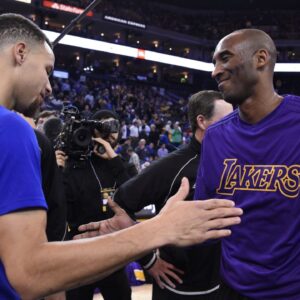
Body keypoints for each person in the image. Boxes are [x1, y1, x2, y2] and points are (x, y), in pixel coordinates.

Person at [0, 13, 243, 300]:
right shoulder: (11, 129)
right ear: (20, 52)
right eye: (47, 69)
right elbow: (30, 274)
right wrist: (158, 229)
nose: (50, 86)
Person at [194, 28, 300, 300]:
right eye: (214, 62)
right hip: (232, 289)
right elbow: (205, 218)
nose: (215, 71)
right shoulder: (215, 137)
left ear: (261, 58)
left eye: (224, 58)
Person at [111, 90, 233, 300]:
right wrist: (148, 260)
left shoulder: (233, 161)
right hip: (179, 289)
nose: (234, 125)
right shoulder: (172, 166)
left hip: (223, 286)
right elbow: (119, 204)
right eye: (227, 120)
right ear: (202, 122)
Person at [64, 110, 136, 300]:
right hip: (79, 253)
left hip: (113, 253)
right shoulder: (74, 165)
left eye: (113, 127)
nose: (108, 133)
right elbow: (61, 206)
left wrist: (114, 161)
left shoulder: (124, 165)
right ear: (92, 131)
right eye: (102, 127)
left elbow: (135, 198)